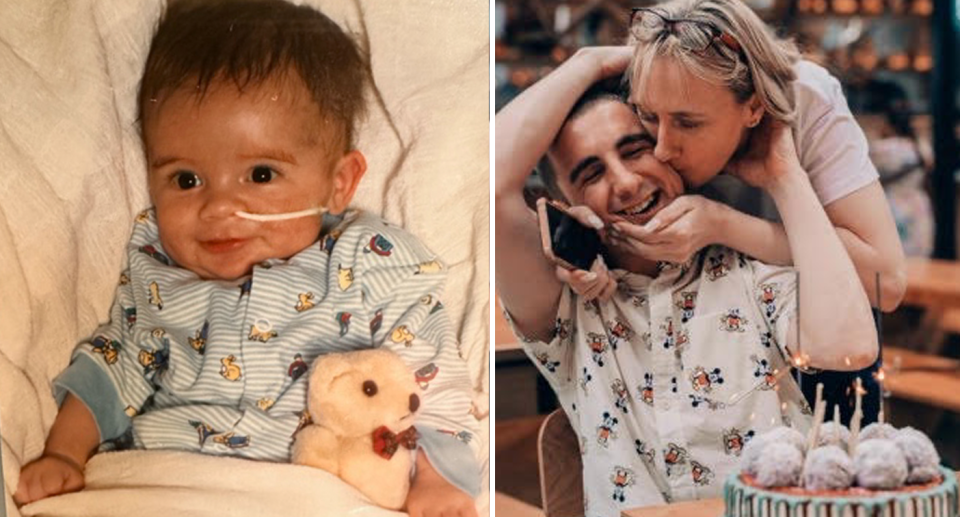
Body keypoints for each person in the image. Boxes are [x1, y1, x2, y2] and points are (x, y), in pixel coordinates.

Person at [14, 2, 480, 515]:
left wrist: (438, 480)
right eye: (185, 180)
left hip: (310, 489)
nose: (217, 208)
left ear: (338, 182)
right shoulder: (158, 264)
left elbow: (430, 375)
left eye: (260, 175)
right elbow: (116, 362)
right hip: (163, 482)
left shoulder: (369, 260)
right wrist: (63, 451)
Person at [495, 47, 878, 514]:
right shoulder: (570, 312)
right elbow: (489, 184)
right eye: (591, 173)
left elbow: (849, 349)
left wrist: (783, 175)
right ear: (562, 200)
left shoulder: (750, 273)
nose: (626, 183)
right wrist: (591, 61)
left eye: (634, 150)